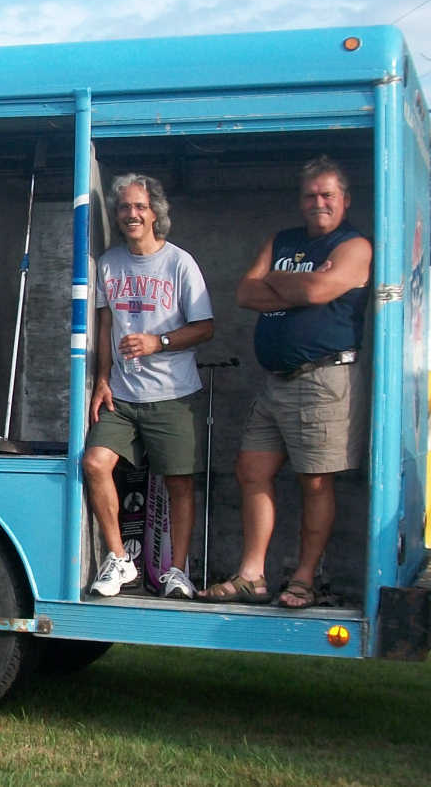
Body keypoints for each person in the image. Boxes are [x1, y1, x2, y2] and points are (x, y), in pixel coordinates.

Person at [200, 156, 371, 608]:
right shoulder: (284, 240)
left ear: (344, 200)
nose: (318, 203)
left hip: (323, 380)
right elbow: (244, 292)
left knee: (315, 482)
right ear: (300, 201)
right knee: (251, 471)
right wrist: (299, 282)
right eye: (310, 195)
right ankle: (251, 576)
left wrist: (280, 278)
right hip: (275, 382)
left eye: (327, 195)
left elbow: (317, 292)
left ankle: (303, 579)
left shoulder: (354, 246)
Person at [82, 175, 214, 599]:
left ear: (156, 212)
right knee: (95, 463)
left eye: (139, 206)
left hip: (172, 395)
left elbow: (206, 327)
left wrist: (160, 342)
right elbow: (105, 327)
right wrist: (102, 379)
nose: (131, 215)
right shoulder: (108, 263)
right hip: (122, 395)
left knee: (179, 483)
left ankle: (178, 571)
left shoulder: (179, 263)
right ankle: (120, 560)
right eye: (124, 207)